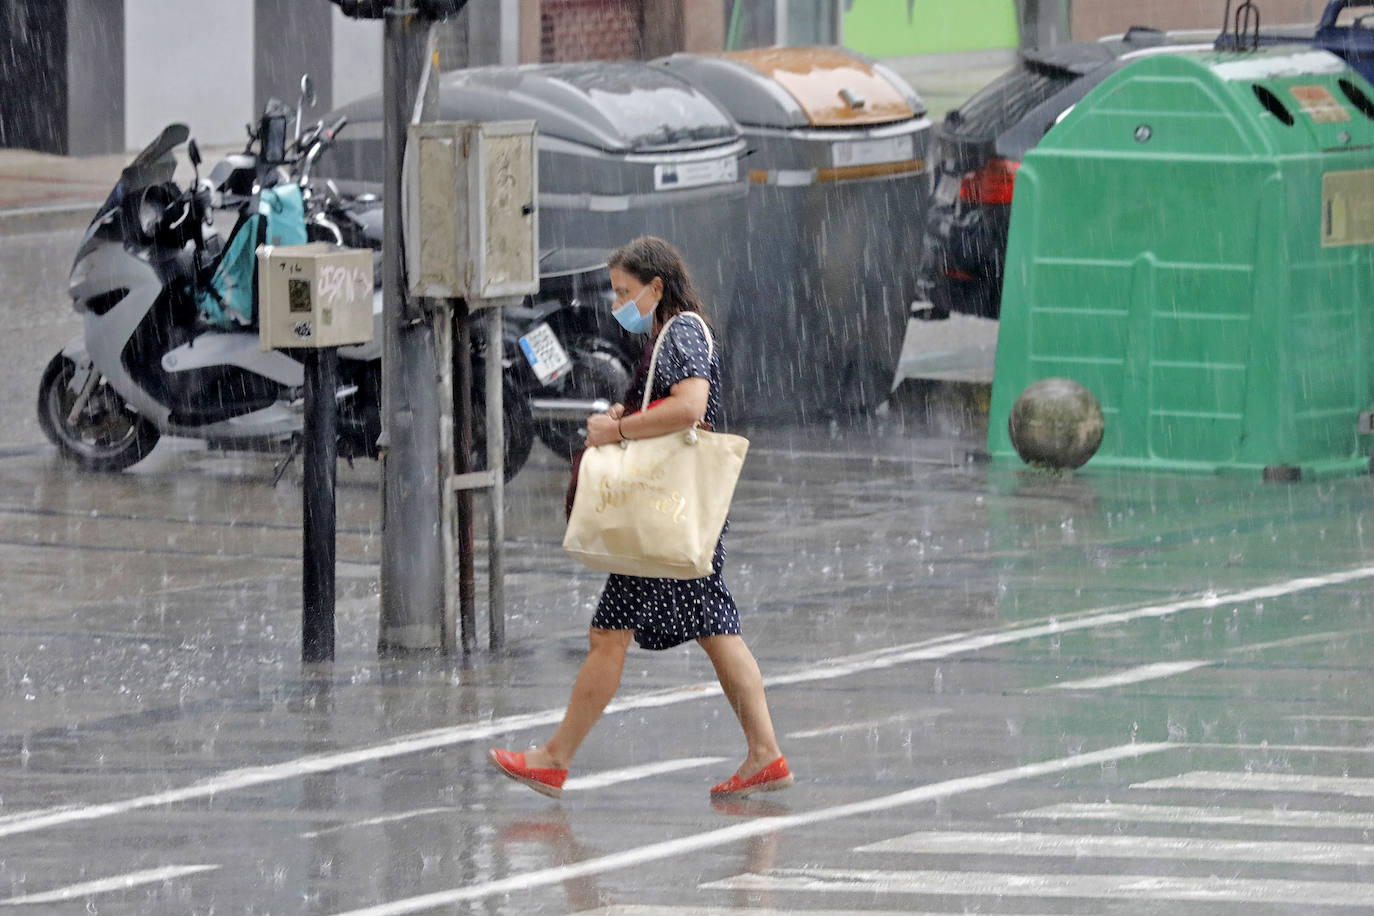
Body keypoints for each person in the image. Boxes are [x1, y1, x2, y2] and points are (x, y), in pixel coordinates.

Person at [488, 236, 792, 801]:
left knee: (611, 635)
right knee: (715, 628)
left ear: (657, 287)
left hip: (664, 511)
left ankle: (554, 758)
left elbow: (690, 407)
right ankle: (765, 753)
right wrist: (628, 413)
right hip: (675, 513)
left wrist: (619, 429)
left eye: (625, 292)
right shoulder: (676, 331)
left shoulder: (681, 333)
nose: (617, 304)